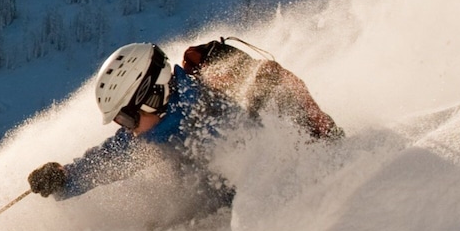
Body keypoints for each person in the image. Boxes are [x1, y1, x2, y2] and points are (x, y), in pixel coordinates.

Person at [27, 38, 343, 202]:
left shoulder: (217, 106)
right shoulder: (155, 131)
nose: (126, 129)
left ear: (151, 97)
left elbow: (275, 159)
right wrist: (63, 178)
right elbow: (106, 161)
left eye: (125, 118)